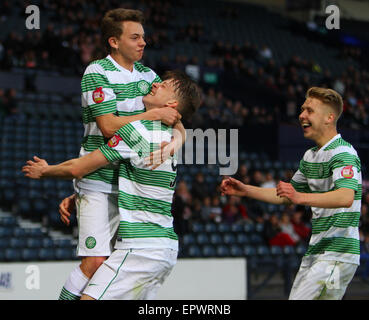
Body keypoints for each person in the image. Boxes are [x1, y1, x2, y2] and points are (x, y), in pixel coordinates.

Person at [23, 70, 202, 300]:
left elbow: (80, 167)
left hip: (142, 248)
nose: (155, 85)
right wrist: (79, 194)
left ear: (171, 103)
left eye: (164, 85)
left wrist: (45, 171)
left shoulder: (138, 132)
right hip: (164, 247)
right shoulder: (168, 136)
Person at [56, 8, 186, 300]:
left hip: (129, 183)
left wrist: (177, 142)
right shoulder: (97, 72)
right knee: (95, 262)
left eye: (143, 37)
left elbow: (177, 121)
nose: (143, 43)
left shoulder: (148, 75)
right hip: (98, 178)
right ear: (114, 41)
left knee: (115, 265)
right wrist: (153, 114)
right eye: (135, 37)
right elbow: (107, 127)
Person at [221, 87, 362, 300]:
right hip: (318, 252)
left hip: (337, 253)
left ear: (329, 117)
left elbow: (345, 197)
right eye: (302, 109)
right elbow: (286, 196)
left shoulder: (343, 153)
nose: (301, 115)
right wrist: (246, 190)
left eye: (310, 110)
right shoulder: (310, 156)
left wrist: (300, 197)